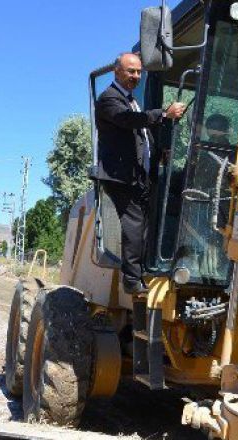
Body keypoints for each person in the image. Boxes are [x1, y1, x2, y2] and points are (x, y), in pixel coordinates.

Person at [95, 52, 186, 294]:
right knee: (134, 224)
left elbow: (140, 139)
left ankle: (141, 271)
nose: (135, 76)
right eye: (130, 71)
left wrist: (158, 154)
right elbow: (129, 121)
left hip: (137, 176)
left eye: (138, 72)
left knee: (144, 223)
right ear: (117, 72)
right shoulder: (109, 99)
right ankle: (132, 281)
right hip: (120, 176)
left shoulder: (130, 99)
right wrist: (164, 114)